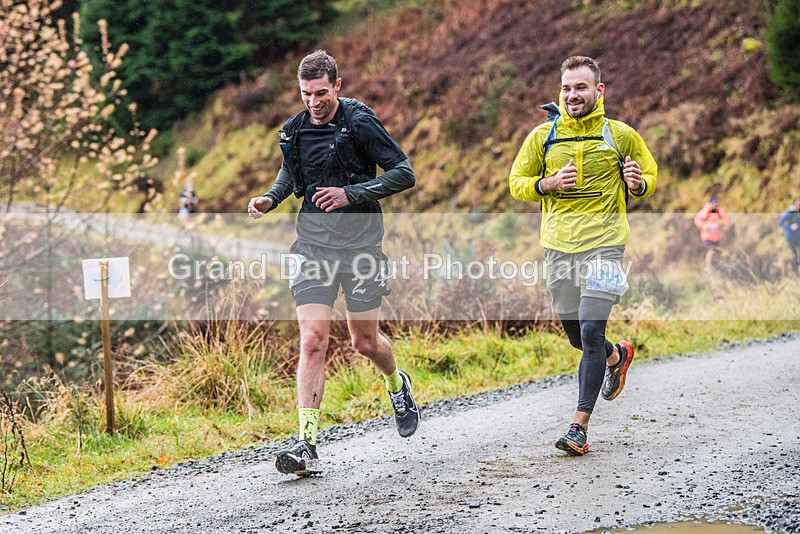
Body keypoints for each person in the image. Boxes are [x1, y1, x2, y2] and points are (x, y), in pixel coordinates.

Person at [247, 50, 420, 476]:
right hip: (312, 246)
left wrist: (353, 193)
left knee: (364, 343)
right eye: (306, 94)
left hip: (361, 246)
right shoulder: (293, 130)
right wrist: (271, 198)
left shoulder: (359, 122)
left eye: (321, 93)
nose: (313, 102)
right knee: (311, 340)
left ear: (337, 86)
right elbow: (291, 174)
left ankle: (397, 385)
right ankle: (306, 445)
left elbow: (404, 173)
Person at [509, 56, 657, 455]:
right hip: (558, 246)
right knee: (578, 335)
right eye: (567, 89)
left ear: (599, 90)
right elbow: (516, 183)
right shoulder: (543, 136)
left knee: (591, 330)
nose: (573, 95)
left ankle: (579, 427)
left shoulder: (619, 135)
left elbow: (650, 175)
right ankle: (617, 355)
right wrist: (548, 182)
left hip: (606, 244)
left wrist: (638, 183)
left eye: (581, 88)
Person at [693, 195, 729, 272]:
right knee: (711, 250)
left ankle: (715, 268)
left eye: (716, 202)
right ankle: (708, 267)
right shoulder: (705, 211)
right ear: (710, 203)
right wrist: (703, 226)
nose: (715, 204)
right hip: (707, 236)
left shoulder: (719, 211)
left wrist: (721, 224)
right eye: (713, 202)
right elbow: (697, 219)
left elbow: (726, 220)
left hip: (716, 236)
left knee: (717, 252)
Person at [779, 197, 800, 274]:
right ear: (795, 204)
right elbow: (780, 223)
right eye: (799, 205)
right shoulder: (789, 213)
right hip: (791, 238)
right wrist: (790, 227)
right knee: (794, 255)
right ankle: (794, 273)